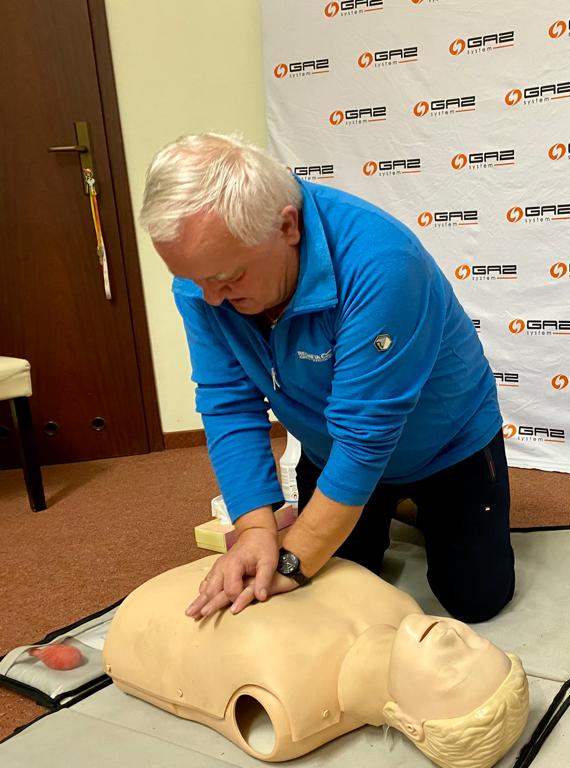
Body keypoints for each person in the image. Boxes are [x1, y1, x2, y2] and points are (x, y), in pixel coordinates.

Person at [139, 133, 514, 623]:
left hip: (446, 446)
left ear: (287, 226)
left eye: (229, 279)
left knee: (478, 601)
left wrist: (291, 562)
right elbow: (229, 402)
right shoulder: (204, 280)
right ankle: (385, 507)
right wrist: (256, 529)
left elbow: (364, 438)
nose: (210, 298)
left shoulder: (382, 263)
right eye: (195, 280)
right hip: (329, 447)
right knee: (331, 601)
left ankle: (418, 505)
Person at [103, 556, 529, 767]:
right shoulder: (402, 608)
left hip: (149, 614)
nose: (454, 636)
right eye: (478, 643)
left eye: (453, 671)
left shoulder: (294, 708)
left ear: (412, 724)